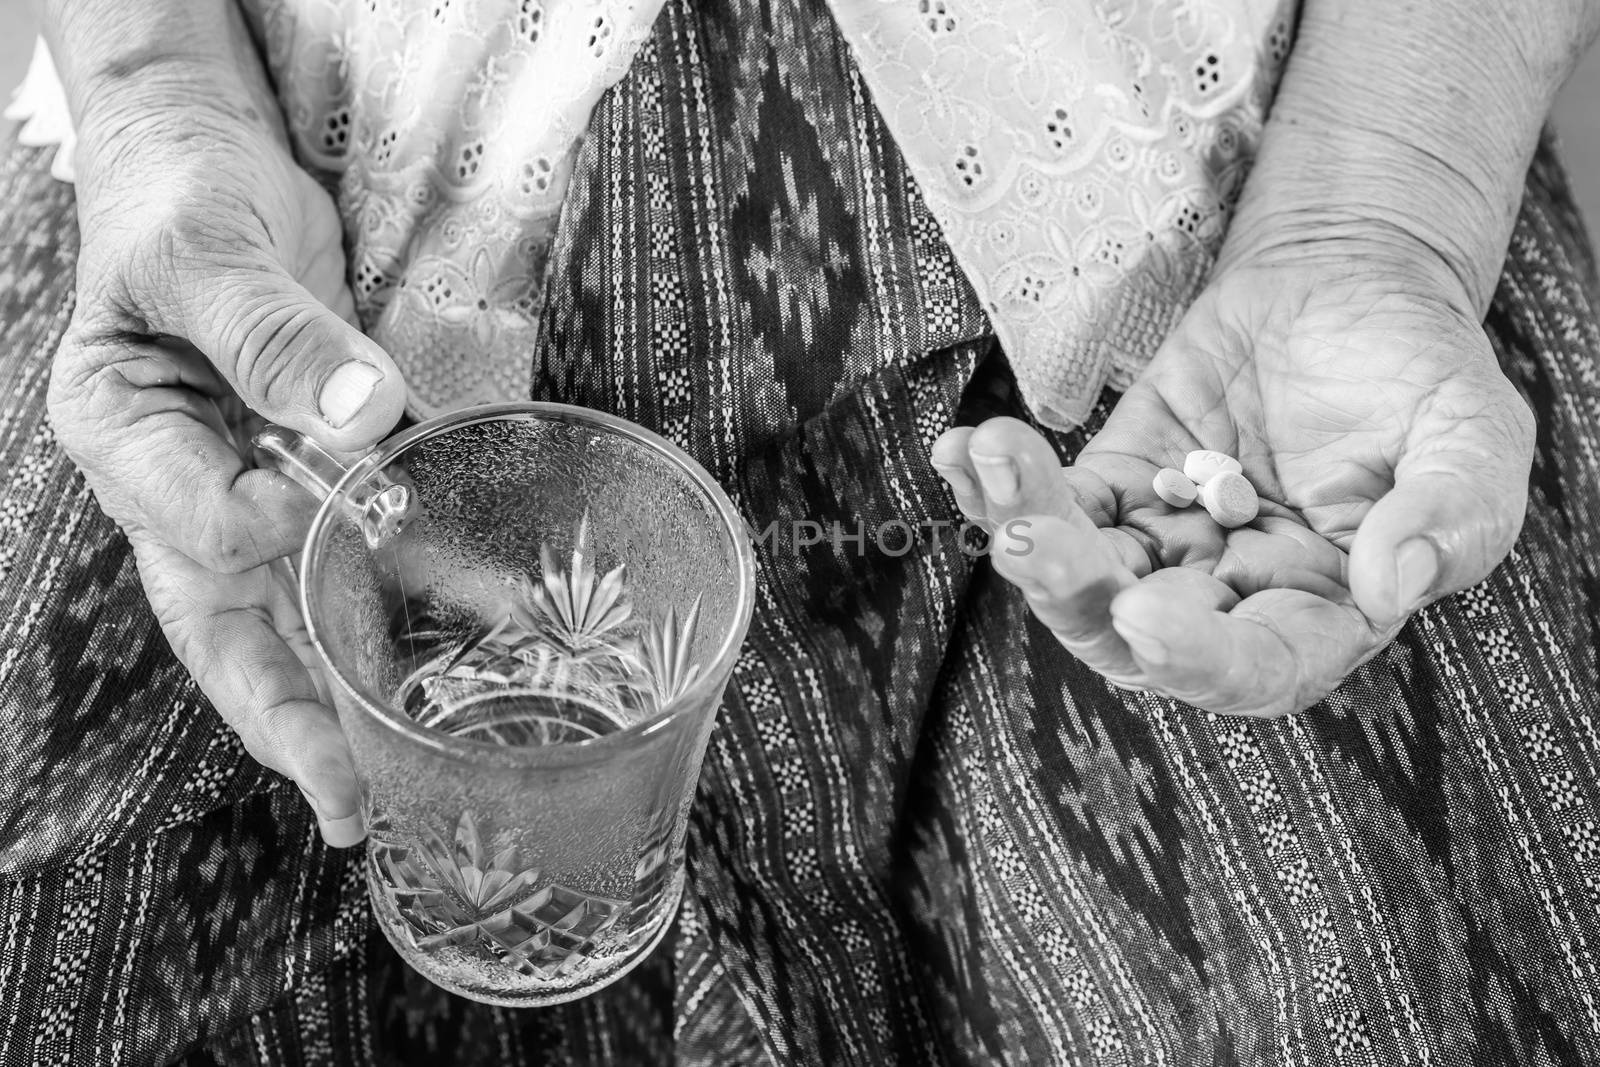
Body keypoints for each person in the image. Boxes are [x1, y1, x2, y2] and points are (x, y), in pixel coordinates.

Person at [1, 0, 1598, 1062]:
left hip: (1212, 253)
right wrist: (155, 102)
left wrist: (1381, 213)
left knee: (1361, 1008)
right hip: (311, 232)